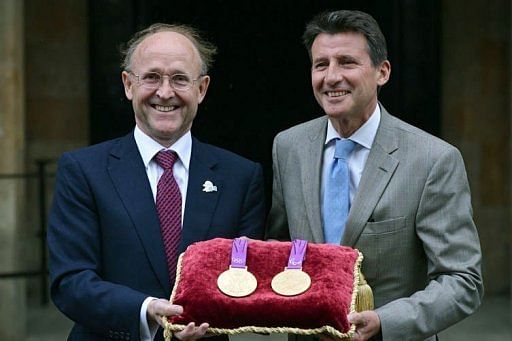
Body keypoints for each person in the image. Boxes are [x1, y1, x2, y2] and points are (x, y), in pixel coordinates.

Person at [266, 10, 483, 341]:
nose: (331, 76)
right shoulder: (289, 147)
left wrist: (385, 322)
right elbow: (279, 249)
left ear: (382, 72)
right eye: (320, 64)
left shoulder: (432, 160)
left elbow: (462, 280)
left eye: (347, 62)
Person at [48, 23, 265, 341]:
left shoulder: (241, 177)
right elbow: (70, 281)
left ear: (201, 89)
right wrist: (144, 310)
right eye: (151, 77)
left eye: (179, 78)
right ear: (128, 85)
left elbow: (247, 278)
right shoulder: (82, 171)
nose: (165, 92)